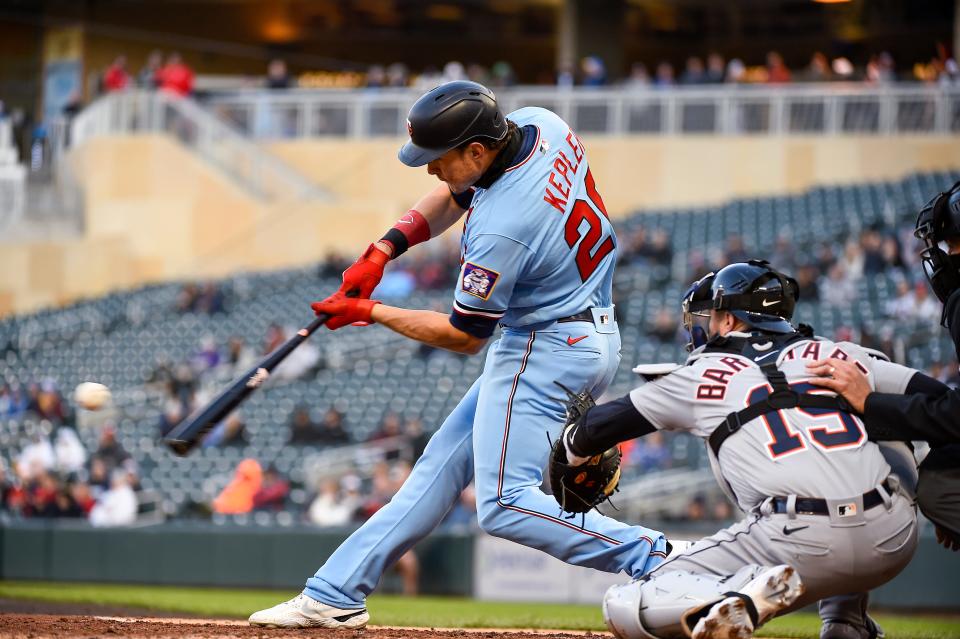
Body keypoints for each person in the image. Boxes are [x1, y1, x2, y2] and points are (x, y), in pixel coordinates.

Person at [248, 80, 668, 629]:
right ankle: (335, 591)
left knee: (504, 504)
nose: (430, 170)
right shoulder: (540, 124)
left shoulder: (502, 227)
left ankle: (657, 556)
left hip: (544, 345)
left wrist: (369, 312)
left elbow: (465, 334)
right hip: (583, 330)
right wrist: (385, 249)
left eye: (438, 158)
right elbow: (455, 193)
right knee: (437, 470)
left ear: (476, 149)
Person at [557, 261, 920, 639]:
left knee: (626, 603)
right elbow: (941, 404)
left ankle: (742, 592)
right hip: (893, 533)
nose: (706, 325)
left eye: (711, 316)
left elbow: (596, 428)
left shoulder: (703, 372)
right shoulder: (836, 353)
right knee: (874, 434)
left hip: (796, 545)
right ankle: (847, 622)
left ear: (729, 321)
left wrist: (571, 449)